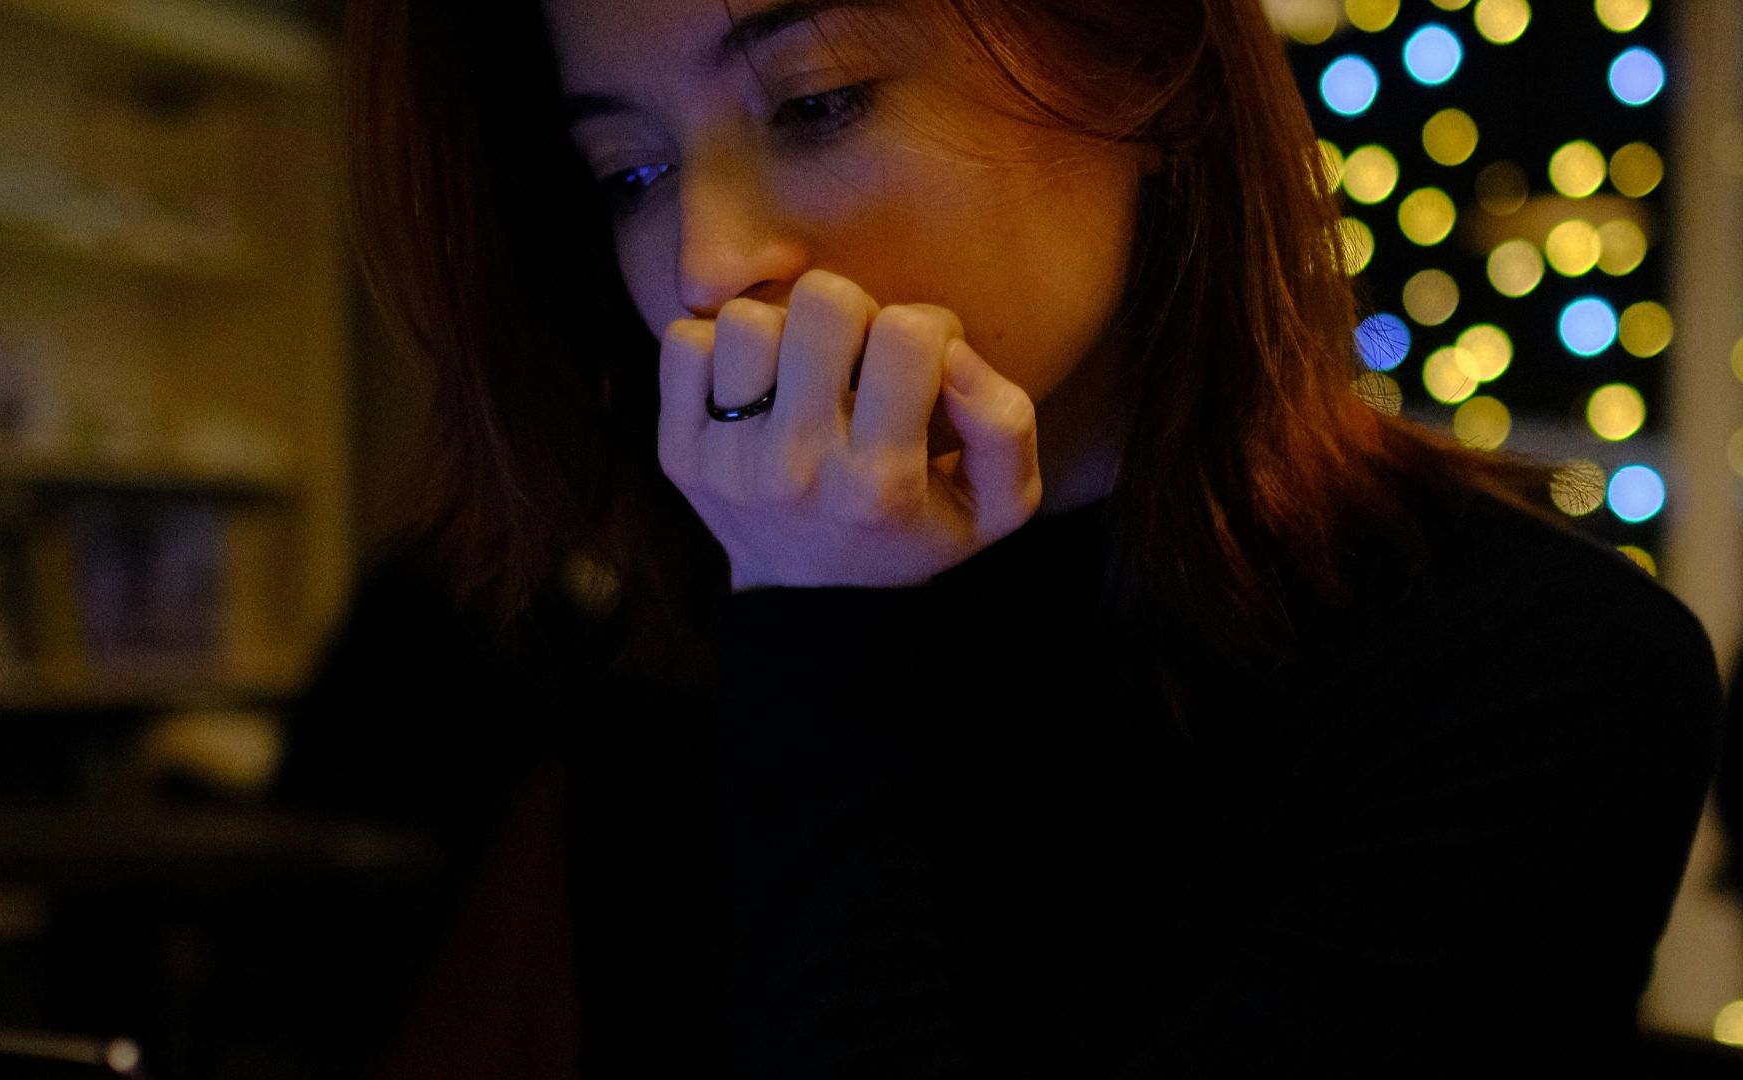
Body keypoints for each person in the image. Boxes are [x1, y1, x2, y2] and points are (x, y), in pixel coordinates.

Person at [331, 0, 1724, 1074]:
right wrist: (801, 622)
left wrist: (819, 639)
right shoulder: (684, 649)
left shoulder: (1535, 666)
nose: (705, 257)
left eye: (816, 102)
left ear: (1145, 73)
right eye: (629, 171)